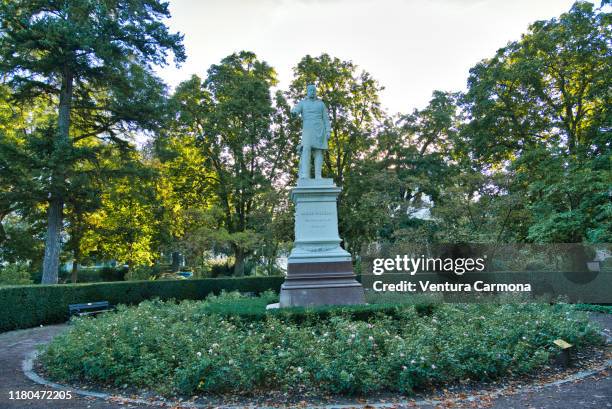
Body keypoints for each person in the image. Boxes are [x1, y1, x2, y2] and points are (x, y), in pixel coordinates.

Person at [291, 84, 331, 179]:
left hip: (319, 130)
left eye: (314, 90)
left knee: (318, 151)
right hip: (307, 130)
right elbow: (296, 111)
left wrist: (328, 131)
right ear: (307, 92)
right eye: (310, 90)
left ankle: (318, 175)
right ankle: (305, 175)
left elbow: (326, 119)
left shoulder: (321, 104)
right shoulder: (302, 103)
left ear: (315, 92)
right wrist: (294, 113)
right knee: (306, 150)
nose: (312, 92)